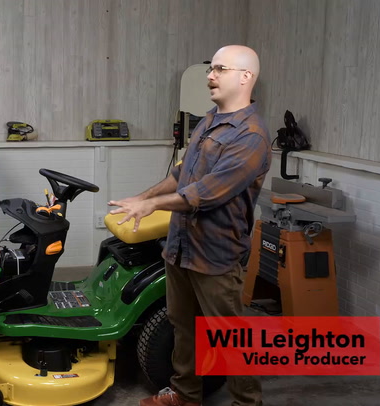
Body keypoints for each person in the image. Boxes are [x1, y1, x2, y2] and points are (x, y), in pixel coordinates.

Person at [109, 45, 271, 406]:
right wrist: (144, 196)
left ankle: (248, 402)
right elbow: (182, 173)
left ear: (245, 77)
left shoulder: (252, 136)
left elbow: (207, 193)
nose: (210, 75)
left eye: (220, 69)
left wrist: (152, 205)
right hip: (181, 246)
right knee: (183, 327)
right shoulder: (209, 120)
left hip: (216, 254)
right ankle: (186, 394)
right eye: (211, 68)